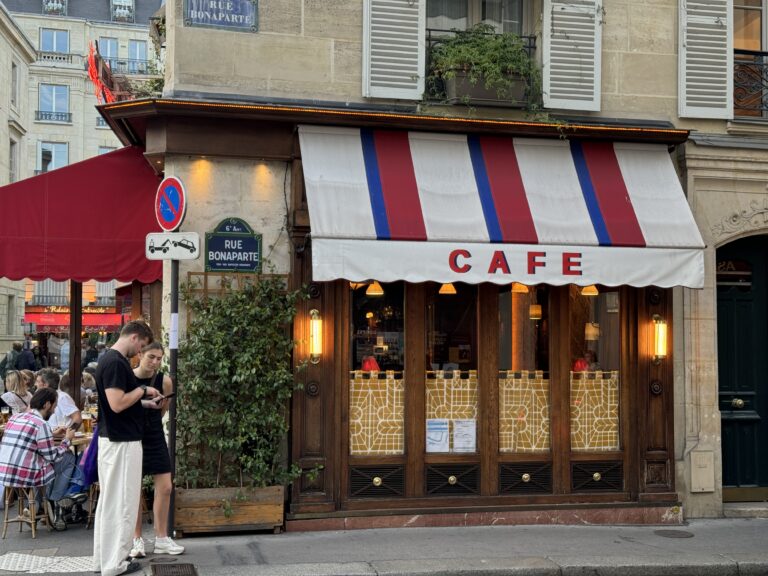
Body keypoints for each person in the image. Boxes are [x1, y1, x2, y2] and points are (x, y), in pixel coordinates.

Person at [93, 321, 162, 576]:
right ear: (135, 338)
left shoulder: (109, 360)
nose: (140, 352)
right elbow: (117, 403)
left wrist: (143, 403)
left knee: (111, 503)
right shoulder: (116, 362)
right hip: (121, 442)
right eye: (142, 347)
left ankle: (105, 561)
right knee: (123, 503)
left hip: (114, 439)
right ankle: (115, 563)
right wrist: (142, 389)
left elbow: (120, 404)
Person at [130, 342, 184, 558]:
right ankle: (136, 540)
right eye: (151, 357)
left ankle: (161, 538)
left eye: (159, 358)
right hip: (132, 436)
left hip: (154, 435)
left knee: (165, 487)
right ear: (140, 354)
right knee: (134, 489)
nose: (155, 362)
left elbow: (163, 411)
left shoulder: (165, 381)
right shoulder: (128, 378)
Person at [0, 387, 81, 531]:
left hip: (5, 472)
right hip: (25, 474)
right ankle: (54, 501)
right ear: (47, 405)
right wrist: (67, 440)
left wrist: (51, 433)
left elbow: (31, 443)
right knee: (67, 457)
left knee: (43, 463)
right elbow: (53, 457)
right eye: (55, 407)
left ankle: (37, 506)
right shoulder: (41, 424)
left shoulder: (15, 417)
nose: (55, 411)